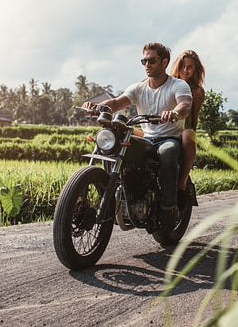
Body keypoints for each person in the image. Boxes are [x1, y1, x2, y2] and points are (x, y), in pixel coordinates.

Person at [82, 42, 192, 229]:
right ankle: (116, 194)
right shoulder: (138, 88)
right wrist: (97, 107)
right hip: (146, 138)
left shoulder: (178, 85)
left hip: (168, 138)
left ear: (164, 62)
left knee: (167, 153)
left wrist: (174, 113)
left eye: (152, 60)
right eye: (144, 61)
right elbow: (117, 102)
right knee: (116, 146)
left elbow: (185, 106)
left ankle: (168, 207)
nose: (147, 64)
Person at [169, 50, 205, 210]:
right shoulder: (166, 83)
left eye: (190, 67)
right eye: (182, 66)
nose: (185, 70)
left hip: (182, 131)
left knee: (188, 134)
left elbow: (194, 117)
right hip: (162, 129)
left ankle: (181, 184)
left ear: (195, 70)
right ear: (176, 66)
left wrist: (190, 143)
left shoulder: (197, 91)